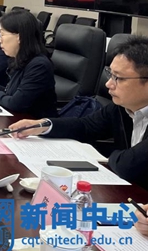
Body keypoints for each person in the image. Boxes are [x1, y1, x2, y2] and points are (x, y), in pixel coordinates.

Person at [10, 35, 148, 189]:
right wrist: (43, 125)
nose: (109, 84)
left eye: (119, 78)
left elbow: (127, 166)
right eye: (110, 74)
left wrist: (112, 155)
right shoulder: (122, 108)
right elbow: (86, 126)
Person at [0, 9, 56, 118]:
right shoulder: (20, 58)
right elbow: (11, 93)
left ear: (19, 37)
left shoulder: (38, 65)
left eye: (2, 35)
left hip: (33, 123)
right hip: (17, 119)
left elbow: (16, 103)